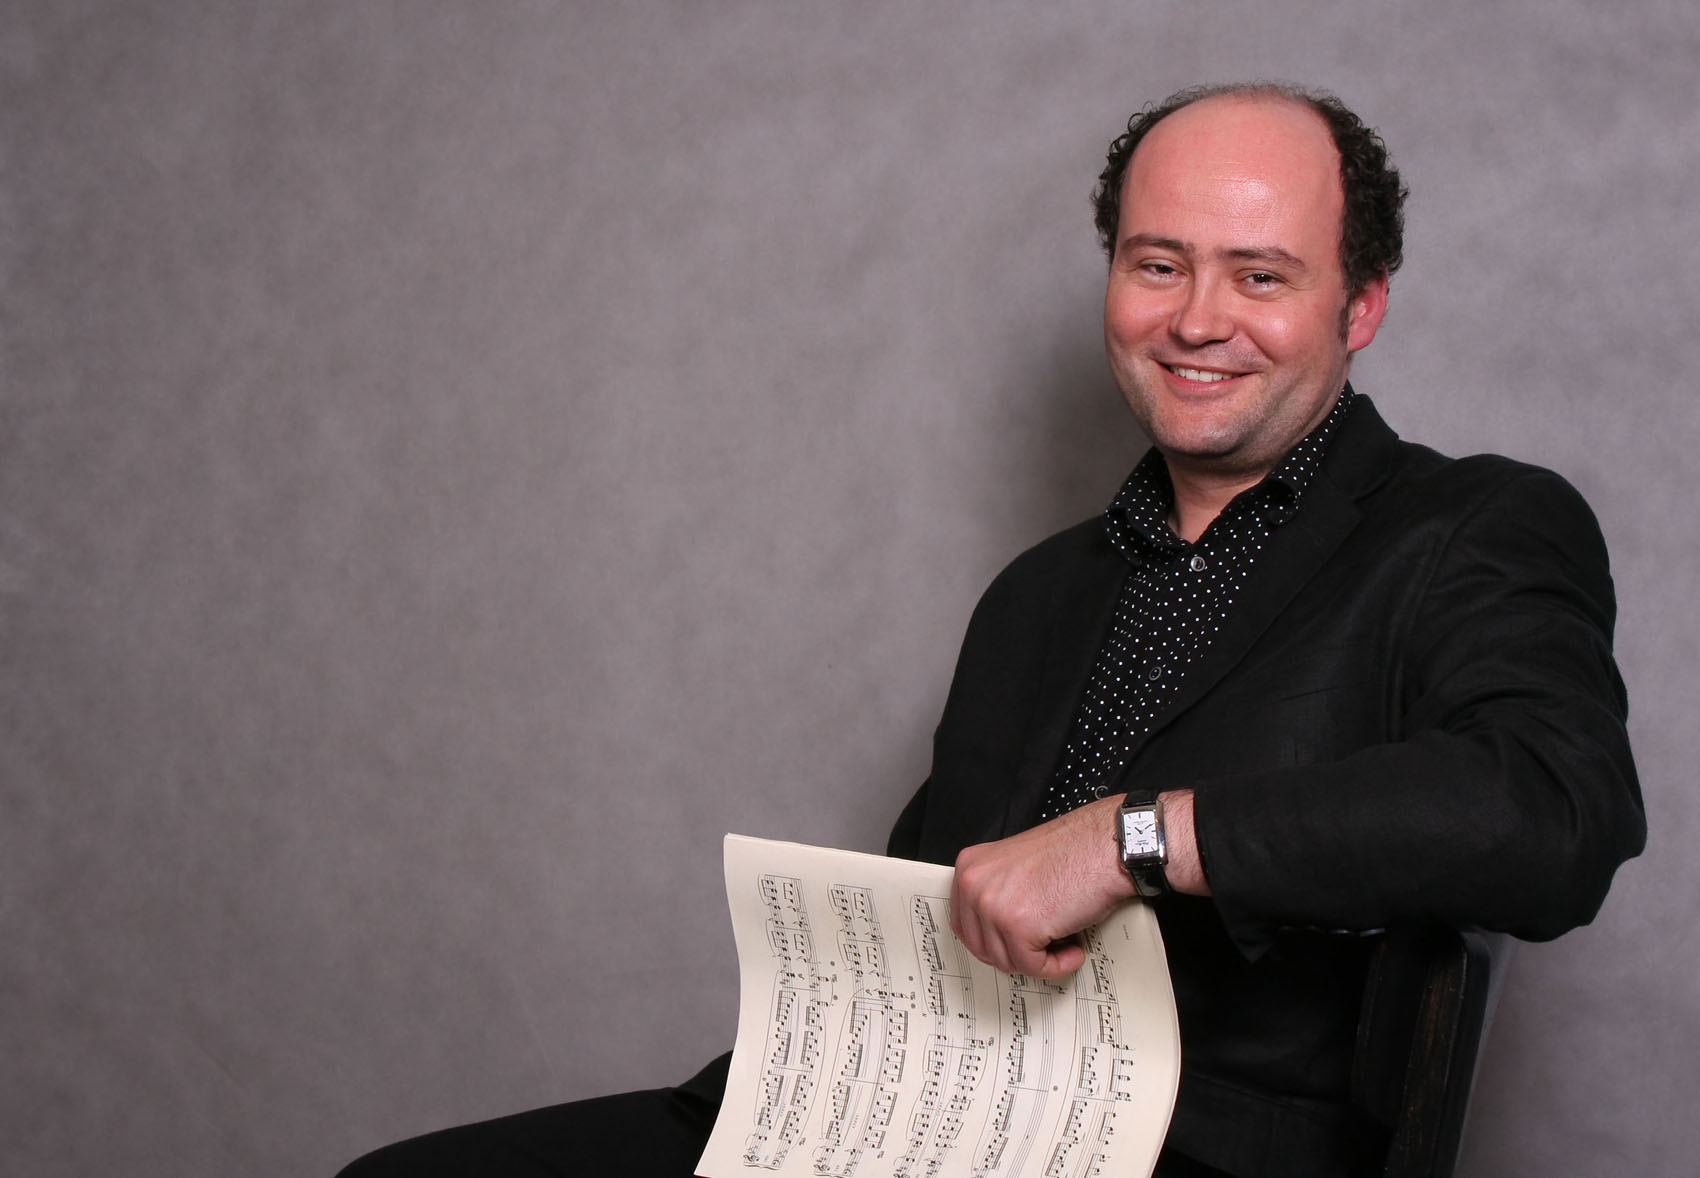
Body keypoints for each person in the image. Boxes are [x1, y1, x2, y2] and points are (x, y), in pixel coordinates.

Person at [338, 81, 1643, 1178]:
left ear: (1361, 306)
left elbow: (1554, 812)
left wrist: (1133, 837)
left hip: (1183, 1153)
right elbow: (939, 915)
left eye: (1261, 275)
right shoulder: (1037, 592)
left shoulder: (1471, 526)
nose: (1197, 319)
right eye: (1158, 264)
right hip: (908, 1115)